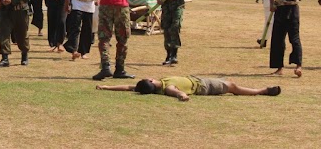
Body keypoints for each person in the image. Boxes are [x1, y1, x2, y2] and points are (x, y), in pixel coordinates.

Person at [96, 76, 281, 101]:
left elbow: (128, 87)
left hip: (199, 79)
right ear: (151, 80)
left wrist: (106, 87)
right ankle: (262, 91)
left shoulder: (157, 84)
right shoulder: (168, 87)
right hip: (203, 85)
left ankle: (262, 90)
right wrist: (182, 96)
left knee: (232, 85)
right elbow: (176, 92)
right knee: (232, 86)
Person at [151, 0, 192, 65]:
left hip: (177, 3)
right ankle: (168, 54)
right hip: (166, 3)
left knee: (175, 26)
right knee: (166, 28)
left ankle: (174, 54)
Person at [269, 0, 303, 77]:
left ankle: (298, 65)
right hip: (279, 9)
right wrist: (272, 5)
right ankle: (279, 68)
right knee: (277, 39)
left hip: (291, 10)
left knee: (294, 38)